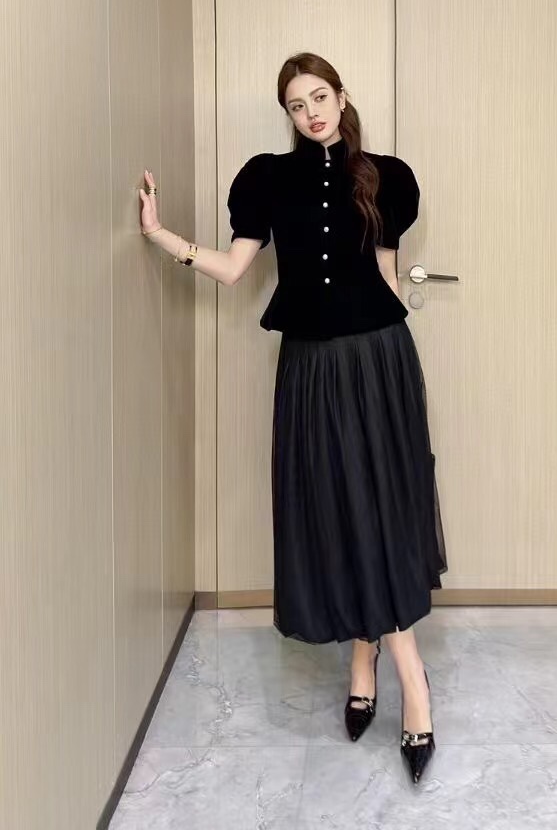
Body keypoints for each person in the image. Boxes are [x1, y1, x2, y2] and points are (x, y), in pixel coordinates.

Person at [140, 51, 447, 785]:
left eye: (319, 97)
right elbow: (234, 269)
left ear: (341, 96)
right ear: (288, 114)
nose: (311, 112)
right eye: (296, 104)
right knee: (337, 507)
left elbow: (384, 275)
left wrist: (390, 353)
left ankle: (403, 678)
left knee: (382, 505)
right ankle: (370, 660)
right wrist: (161, 236)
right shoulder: (267, 179)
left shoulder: (388, 177)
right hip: (310, 367)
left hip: (378, 360)